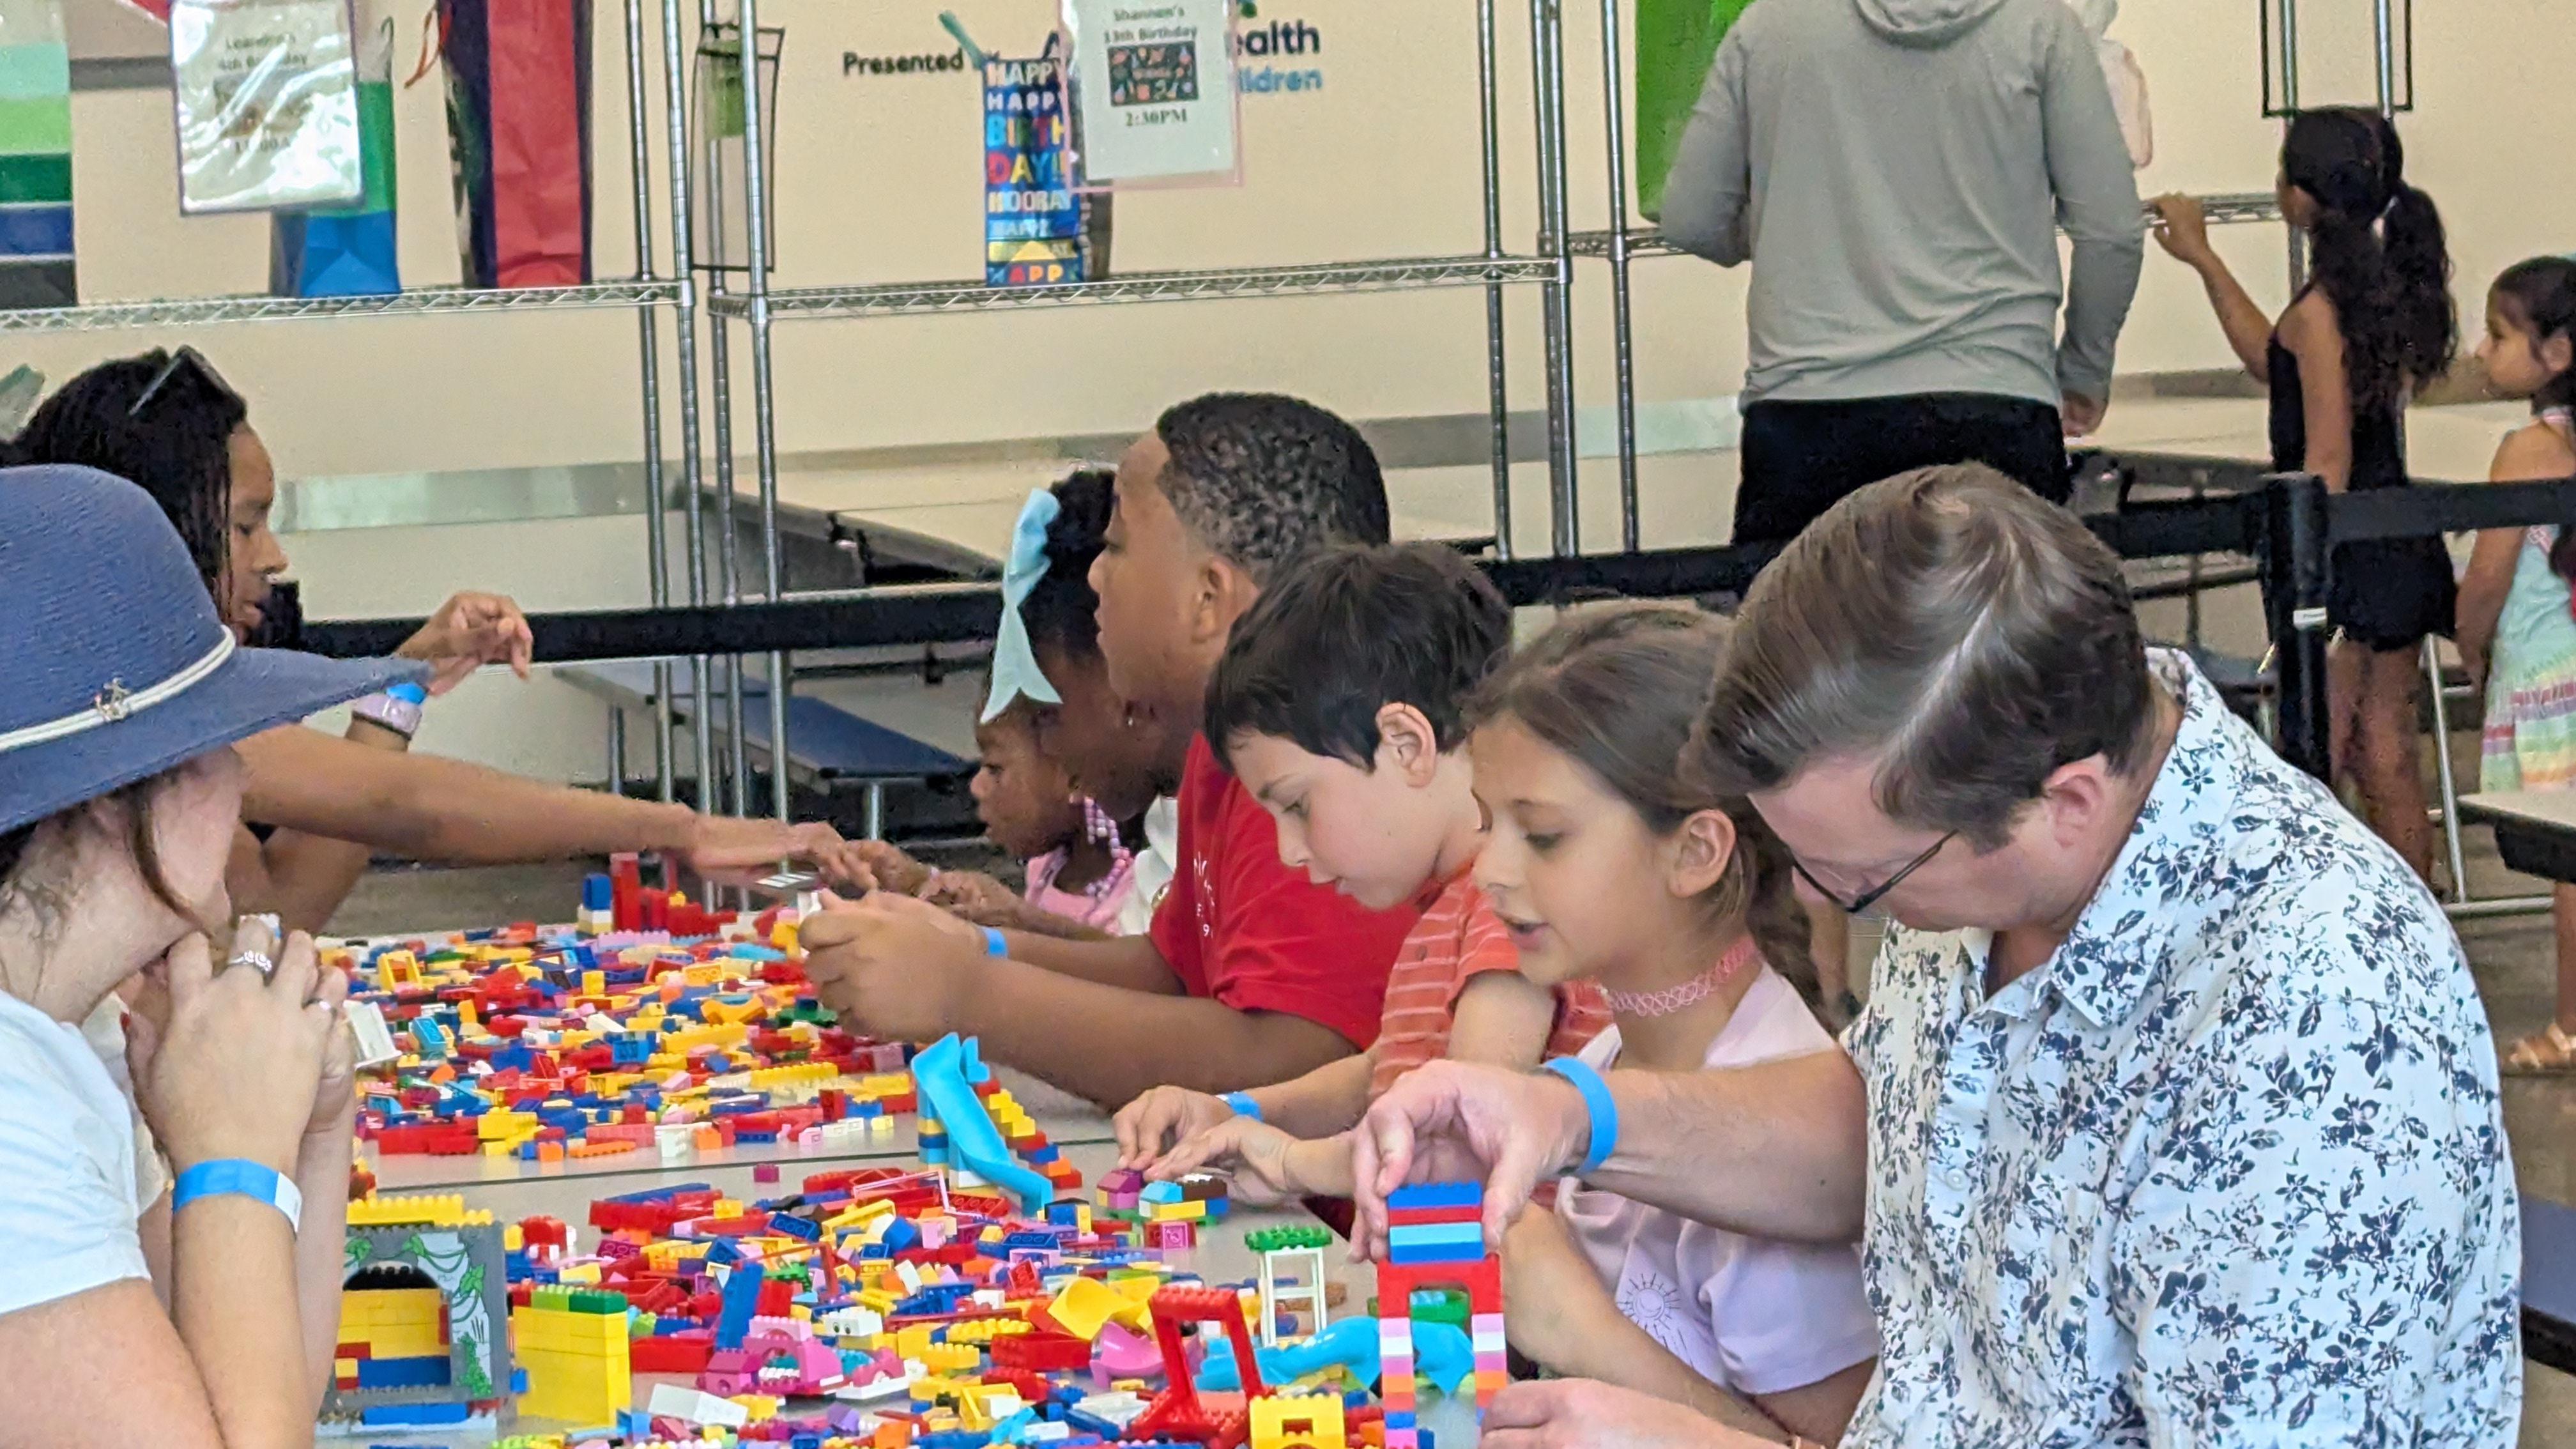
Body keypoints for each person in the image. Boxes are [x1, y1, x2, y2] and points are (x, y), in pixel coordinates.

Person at [1351, 466, 2521, 1448]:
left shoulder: (2317, 1014)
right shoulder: (1995, 836)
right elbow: (1887, 1131)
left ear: (2064, 802)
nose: (1820, 902)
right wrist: (1569, 1116)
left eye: (1862, 881)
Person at [1156, 602, 1877, 1444]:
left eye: (1542, 835)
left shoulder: (1779, 1133)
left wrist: (1582, 1331)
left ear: (1694, 852)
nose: (1492, 870)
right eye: (1490, 823)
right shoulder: (1607, 1061)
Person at [15, 348, 866, 932]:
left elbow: (276, 909)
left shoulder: (133, 715)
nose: (272, 559)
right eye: (245, 527)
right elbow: (402, 807)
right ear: (149, 533)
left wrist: (403, 686)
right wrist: (683, 829)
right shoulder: (113, 707)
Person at [800, 393, 1416, 1109]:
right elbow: (1172, 971)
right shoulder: (1220, 751)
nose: (1094, 577)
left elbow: (1285, 1058)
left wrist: (969, 995)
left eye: (1116, 548)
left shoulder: (1316, 765)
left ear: (1208, 599)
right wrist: (973, 947)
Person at [0, 463, 407, 1441]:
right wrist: (232, 1153)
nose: (240, 775)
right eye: (213, 740)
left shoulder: (76, 1033)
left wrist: (306, 1131)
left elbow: (261, 1391)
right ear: (112, 793)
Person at [1112, 542, 1609, 1169]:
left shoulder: (1505, 910)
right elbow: (1381, 1072)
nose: (1289, 852)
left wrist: (1288, 1164)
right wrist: (1236, 1113)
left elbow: (1459, 1132)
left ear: (1405, 746)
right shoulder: (1448, 910)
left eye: (1297, 806)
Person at [1660, 0, 2142, 547]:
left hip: (1806, 414)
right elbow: (2112, 232)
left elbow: (1691, 218)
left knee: (1807, 605)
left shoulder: (1769, 24)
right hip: (1994, 402)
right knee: (2001, 606)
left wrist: (1793, 236)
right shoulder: (2040, 26)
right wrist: (2082, 372)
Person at [2152, 109, 2459, 883]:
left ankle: (2338, 918)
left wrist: (2306, 575)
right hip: (2396, 536)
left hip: (2341, 551)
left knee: (2322, 754)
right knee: (2388, 753)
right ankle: (2420, 921)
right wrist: (2204, 259)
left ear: (2302, 196)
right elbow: (2275, 359)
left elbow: (2327, 457)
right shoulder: (2368, 295)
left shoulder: (2324, 311)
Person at [839, 472, 1174, 940]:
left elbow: (1161, 978)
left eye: (1050, 717)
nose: (1052, 748)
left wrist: (988, 949)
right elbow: (1152, 968)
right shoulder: (1172, 821)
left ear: (1118, 675)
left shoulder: (1231, 818)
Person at [2454, 256, 2576, 1074]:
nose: (2482, 350)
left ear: (2555, 352)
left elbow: (2490, 576)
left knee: (2570, 865)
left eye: (2499, 335)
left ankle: (2571, 1026)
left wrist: (2470, 640)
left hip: (2546, 682)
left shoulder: (2529, 449)